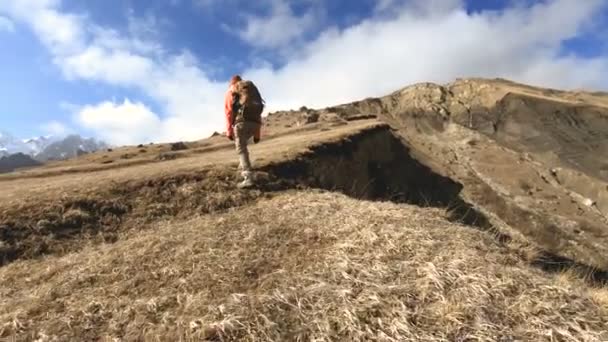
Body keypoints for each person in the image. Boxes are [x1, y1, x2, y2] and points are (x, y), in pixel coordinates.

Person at [224, 74, 264, 188]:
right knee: (243, 146)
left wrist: (229, 131)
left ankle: (248, 178)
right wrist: (257, 134)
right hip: (255, 124)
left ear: (231, 83)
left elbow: (228, 112)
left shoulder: (231, 91)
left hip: (241, 123)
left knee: (241, 149)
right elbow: (257, 114)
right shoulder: (250, 91)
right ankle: (241, 167)